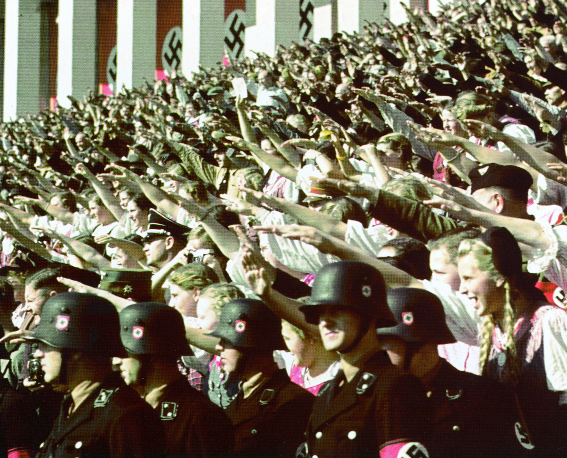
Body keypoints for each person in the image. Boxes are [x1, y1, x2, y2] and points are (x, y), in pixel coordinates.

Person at [378, 287, 535, 457]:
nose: (377, 352)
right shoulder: (377, 399)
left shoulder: (484, 395)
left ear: (417, 343)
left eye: (385, 343)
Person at [299, 260, 431, 458]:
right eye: (320, 314)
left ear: (368, 315)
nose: (325, 322)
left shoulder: (395, 386)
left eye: (337, 310)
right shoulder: (328, 391)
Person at [28, 292, 167, 458]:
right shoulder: (72, 405)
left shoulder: (125, 414)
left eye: (45, 345)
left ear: (76, 350)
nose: (37, 354)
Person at [116, 302, 234, 458]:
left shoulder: (201, 417)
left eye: (125, 353)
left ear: (152, 354)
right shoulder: (126, 409)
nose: (116, 361)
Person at [207, 298, 314, 458]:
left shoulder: (292, 402)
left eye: (227, 341)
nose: (218, 347)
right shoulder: (241, 398)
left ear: (252, 345)